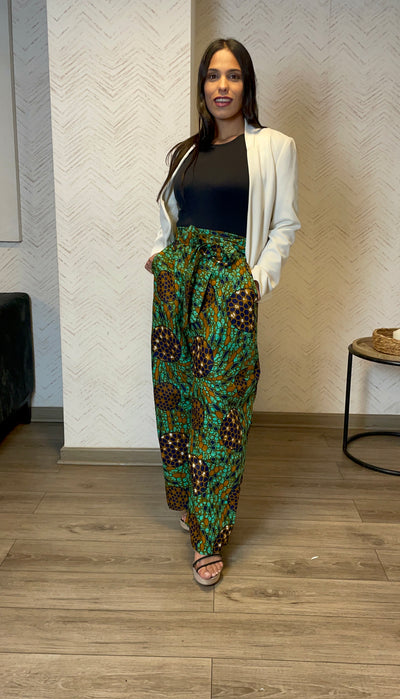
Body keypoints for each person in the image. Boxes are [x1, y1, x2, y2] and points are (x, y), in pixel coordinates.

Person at [145, 38, 300, 586]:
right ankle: (193, 505)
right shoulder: (185, 152)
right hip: (178, 286)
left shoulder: (275, 146)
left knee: (222, 406)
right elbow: (172, 220)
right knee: (178, 398)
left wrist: (253, 284)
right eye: (213, 75)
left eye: (233, 75)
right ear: (202, 86)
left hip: (229, 284)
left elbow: (285, 224)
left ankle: (209, 536)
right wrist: (161, 258)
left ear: (246, 84)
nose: (222, 86)